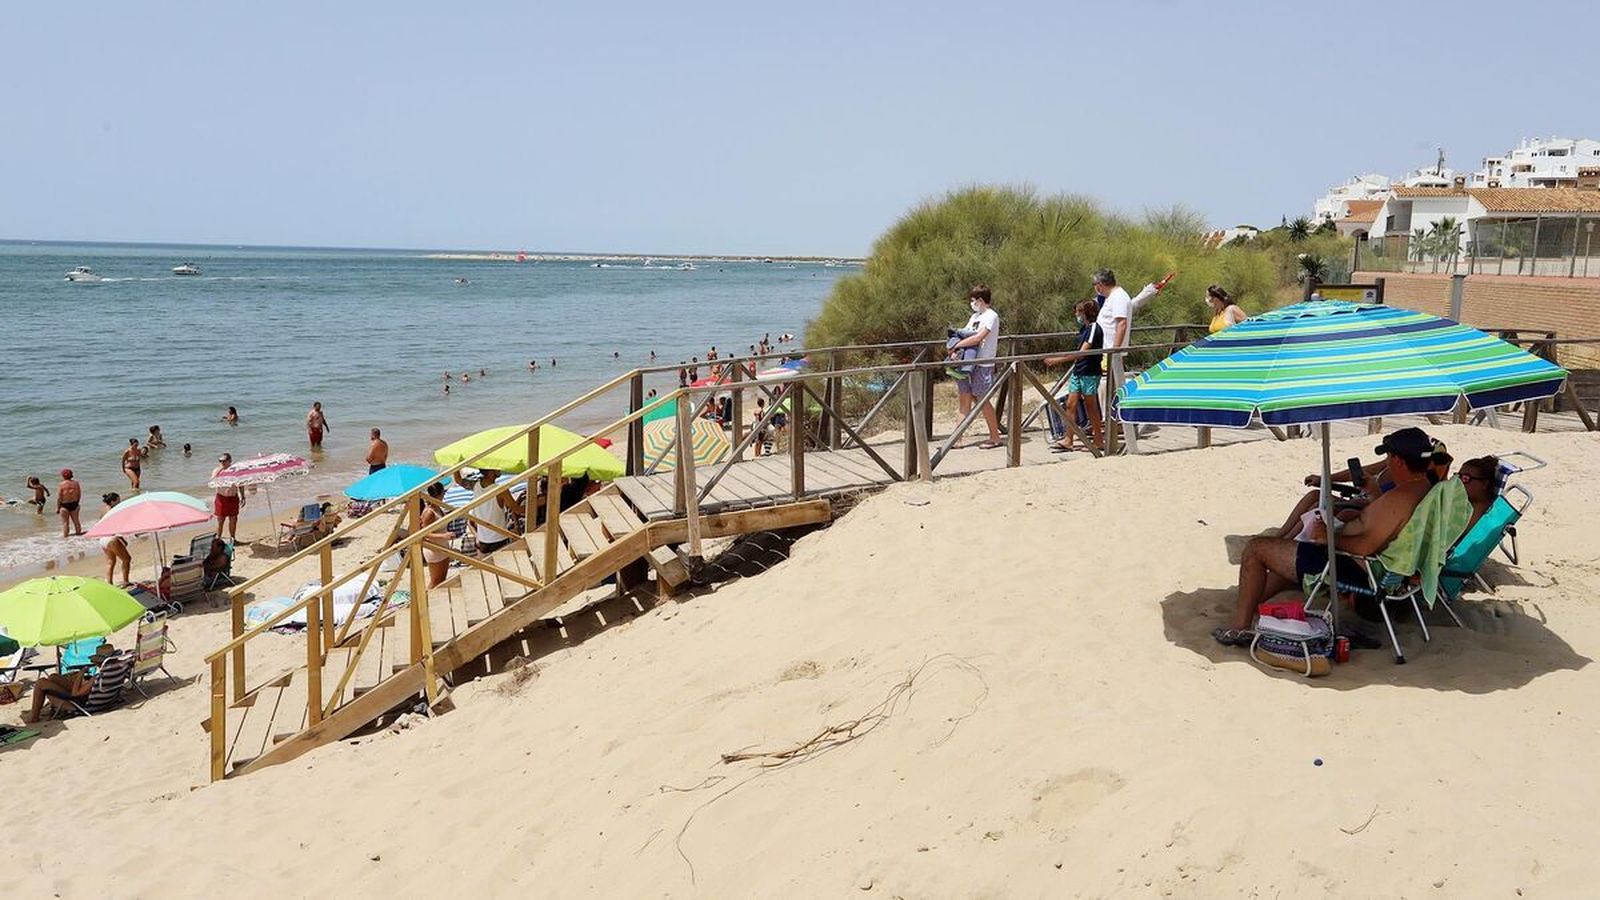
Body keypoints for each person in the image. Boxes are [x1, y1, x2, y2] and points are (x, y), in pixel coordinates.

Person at [1213, 428, 1440, 646]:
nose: (1388, 464)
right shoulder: (1423, 489)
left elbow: (1363, 547)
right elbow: (1390, 528)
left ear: (1399, 460)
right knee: (1291, 550)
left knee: (1257, 548)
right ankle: (1252, 604)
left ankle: (1240, 627)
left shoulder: (1399, 499)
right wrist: (1374, 497)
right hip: (1382, 572)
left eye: (1389, 458)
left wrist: (1328, 537)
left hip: (1357, 571)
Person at [1043, 299, 1106, 452]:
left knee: (1091, 407)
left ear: (1086, 313)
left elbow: (1083, 352)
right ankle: (1068, 439)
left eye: (1078, 311)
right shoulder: (1083, 329)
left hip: (1089, 373)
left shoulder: (1094, 329)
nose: (1076, 314)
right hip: (1078, 371)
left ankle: (1098, 440)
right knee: (1070, 405)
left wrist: (1058, 360)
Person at [947, 284, 1002, 449]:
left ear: (980, 300)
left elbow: (978, 338)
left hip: (983, 363)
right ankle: (957, 439)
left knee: (982, 400)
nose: (971, 303)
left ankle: (995, 437)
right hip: (967, 363)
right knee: (964, 399)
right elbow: (964, 333)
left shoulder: (991, 316)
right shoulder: (974, 317)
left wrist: (957, 346)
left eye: (973, 300)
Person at [23, 642, 127, 724]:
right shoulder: (120, 668)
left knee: (41, 683)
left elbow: (75, 694)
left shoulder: (98, 677)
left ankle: (34, 717)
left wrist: (80, 674)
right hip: (98, 698)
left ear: (99, 661)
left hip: (81, 705)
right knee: (53, 677)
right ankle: (36, 710)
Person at [453, 468, 516, 555]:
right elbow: (517, 509)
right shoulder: (501, 490)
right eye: (496, 468)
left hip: (483, 539)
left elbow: (458, 480)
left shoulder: (475, 485)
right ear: (490, 472)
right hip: (499, 538)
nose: (500, 469)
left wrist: (456, 465)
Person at [419, 482, 452, 587]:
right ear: (440, 494)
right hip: (433, 548)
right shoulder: (429, 512)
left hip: (443, 546)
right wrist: (443, 536)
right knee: (436, 580)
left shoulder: (438, 507)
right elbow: (424, 533)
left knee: (442, 579)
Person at [1457, 455, 1501, 530]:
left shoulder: (1485, 518)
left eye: (1466, 478)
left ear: (1484, 484)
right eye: (1458, 476)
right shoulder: (1462, 505)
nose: (1459, 482)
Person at [97, 492, 132, 585]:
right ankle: (125, 581)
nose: (120, 503)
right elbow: (115, 528)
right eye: (118, 501)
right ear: (112, 502)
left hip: (102, 539)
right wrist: (122, 539)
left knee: (110, 562)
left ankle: (109, 583)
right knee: (127, 559)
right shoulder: (113, 511)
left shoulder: (103, 510)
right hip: (111, 539)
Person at [212, 453, 243, 542]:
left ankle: (233, 539)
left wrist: (243, 495)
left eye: (224, 461)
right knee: (220, 520)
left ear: (230, 461)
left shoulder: (235, 471)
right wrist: (222, 469)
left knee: (233, 519)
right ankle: (218, 540)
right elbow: (212, 481)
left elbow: (240, 483)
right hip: (221, 498)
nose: (222, 463)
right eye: (220, 461)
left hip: (233, 497)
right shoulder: (217, 471)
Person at [57, 469, 83, 537]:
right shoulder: (76, 483)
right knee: (76, 522)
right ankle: (79, 536)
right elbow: (79, 494)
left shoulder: (61, 484)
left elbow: (59, 497)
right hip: (74, 503)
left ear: (63, 476)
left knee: (65, 523)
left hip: (64, 505)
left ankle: (65, 539)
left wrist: (58, 507)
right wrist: (77, 503)